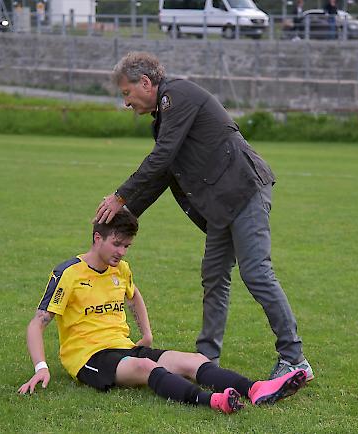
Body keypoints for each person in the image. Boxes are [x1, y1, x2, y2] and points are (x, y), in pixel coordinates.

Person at [94, 52, 313, 381]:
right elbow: (165, 173)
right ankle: (206, 358)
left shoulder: (176, 96)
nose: (126, 102)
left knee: (256, 273)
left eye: (126, 93)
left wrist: (121, 194)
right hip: (221, 206)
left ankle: (294, 358)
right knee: (214, 277)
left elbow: (163, 155)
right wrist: (125, 216)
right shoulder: (165, 116)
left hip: (243, 190)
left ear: (145, 83)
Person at [17, 210, 308, 413]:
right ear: (97, 238)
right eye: (117, 244)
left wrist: (146, 332)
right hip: (89, 358)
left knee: (194, 360)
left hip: (124, 347)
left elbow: (134, 296)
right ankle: (211, 401)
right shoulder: (68, 273)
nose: (122, 252)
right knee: (148, 368)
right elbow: (37, 323)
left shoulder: (121, 270)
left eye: (127, 246)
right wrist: (41, 368)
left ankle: (256, 389)